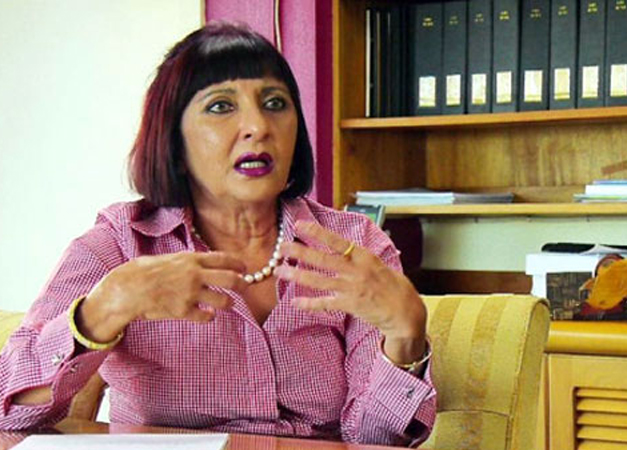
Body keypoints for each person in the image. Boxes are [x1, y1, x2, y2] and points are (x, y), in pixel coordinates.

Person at [0, 23, 436, 446]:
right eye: (221, 106)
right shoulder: (117, 244)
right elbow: (10, 415)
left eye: (275, 103)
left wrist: (406, 339)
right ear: (174, 140)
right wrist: (105, 308)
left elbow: (373, 441)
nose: (259, 126)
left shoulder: (353, 245)